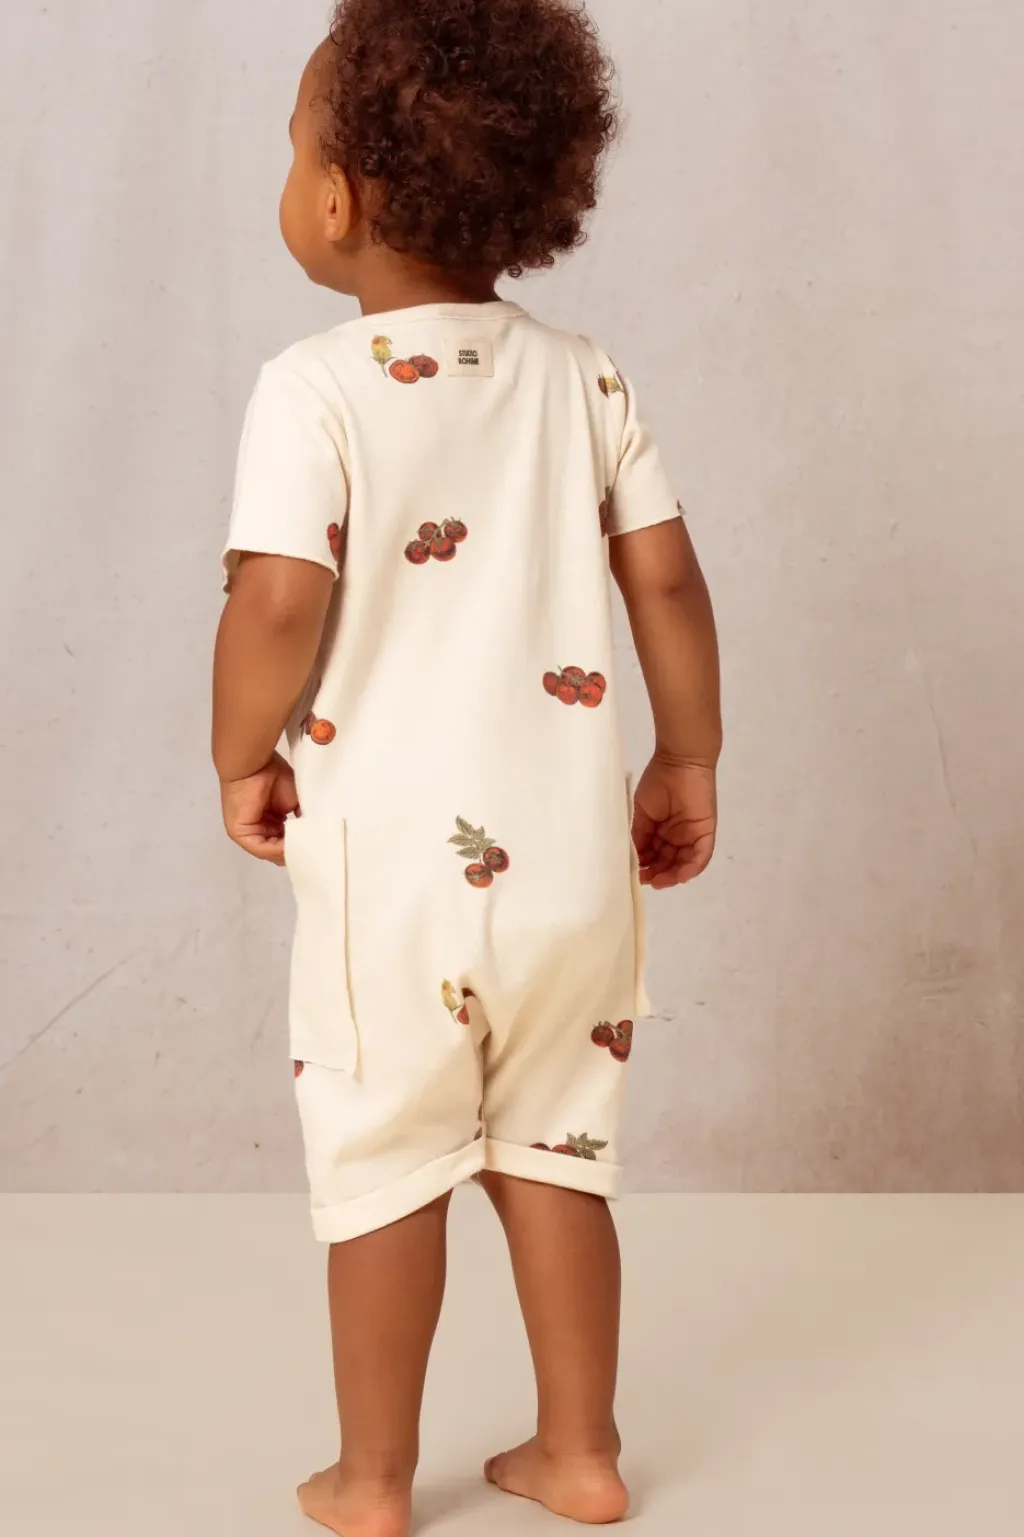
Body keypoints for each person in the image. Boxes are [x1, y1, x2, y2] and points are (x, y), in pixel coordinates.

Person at [212, 2, 721, 1533]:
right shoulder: (585, 377)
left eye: (293, 148)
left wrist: (239, 751)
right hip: (570, 869)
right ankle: (580, 1452)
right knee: (555, 1149)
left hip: (393, 882)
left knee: (388, 1162)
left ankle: (373, 1479)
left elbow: (277, 602)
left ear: (337, 198)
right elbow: (667, 581)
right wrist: (685, 754)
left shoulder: (313, 387)